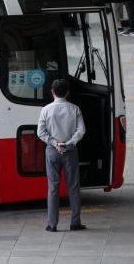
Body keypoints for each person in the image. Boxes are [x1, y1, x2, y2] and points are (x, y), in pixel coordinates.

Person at [37, 79, 87, 232]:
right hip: (70, 151)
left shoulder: (45, 110)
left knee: (53, 187)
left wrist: (54, 143)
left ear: (52, 92)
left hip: (52, 151)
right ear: (67, 92)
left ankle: (52, 224)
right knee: (73, 187)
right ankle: (75, 222)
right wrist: (69, 143)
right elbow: (81, 130)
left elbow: (41, 133)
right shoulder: (75, 109)